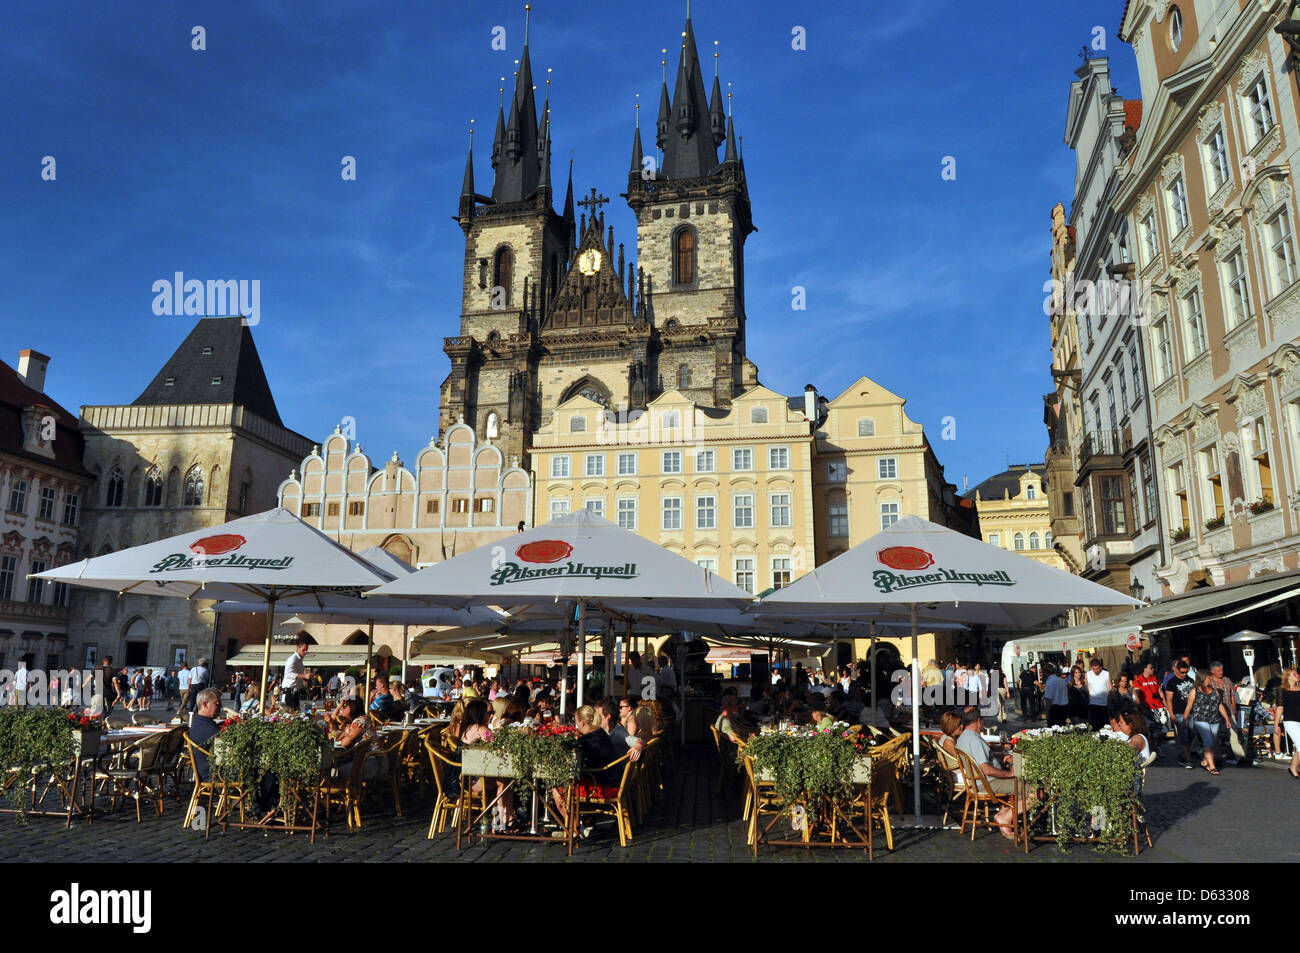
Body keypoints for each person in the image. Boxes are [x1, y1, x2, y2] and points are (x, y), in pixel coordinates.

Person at [954, 708, 1018, 838]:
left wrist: (999, 760)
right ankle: (1005, 817)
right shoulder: (975, 740)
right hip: (987, 783)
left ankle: (1005, 813)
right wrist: (1010, 774)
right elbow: (986, 769)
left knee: (1019, 783)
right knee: (1034, 790)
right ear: (979, 721)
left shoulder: (962, 738)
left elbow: (982, 762)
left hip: (976, 782)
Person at [1185, 671, 1231, 775]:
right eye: (1208, 678)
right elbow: (1189, 706)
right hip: (1201, 720)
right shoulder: (1194, 691)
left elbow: (1219, 705)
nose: (1210, 679)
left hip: (1215, 719)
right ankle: (1212, 766)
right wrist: (1184, 720)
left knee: (1213, 743)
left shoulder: (1214, 690)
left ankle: (1205, 761)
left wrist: (1227, 719)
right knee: (1208, 741)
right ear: (1203, 678)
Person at [1163, 659, 1197, 768]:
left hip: (1191, 712)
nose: (1184, 674)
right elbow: (1169, 700)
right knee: (1184, 736)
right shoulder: (1171, 682)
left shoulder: (1190, 680)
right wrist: (1171, 714)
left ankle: (1183, 755)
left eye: (1186, 672)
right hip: (1179, 713)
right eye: (1182, 672)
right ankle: (1188, 760)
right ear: (1177, 670)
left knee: (1192, 734)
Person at [187, 688, 225, 783]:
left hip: (212, 770)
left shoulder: (199, 721)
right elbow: (227, 744)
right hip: (215, 775)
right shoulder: (207, 728)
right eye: (217, 704)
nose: (220, 707)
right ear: (205, 704)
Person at [1271, 668, 1300, 780]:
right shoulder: (1281, 690)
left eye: (1297, 673)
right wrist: (1276, 725)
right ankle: (1293, 768)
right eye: (1294, 674)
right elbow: (1279, 709)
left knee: (1299, 747)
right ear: (1288, 676)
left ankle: (1293, 767)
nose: (1297, 675)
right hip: (1290, 721)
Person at [282, 635, 310, 709]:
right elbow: (288, 674)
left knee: (295, 713)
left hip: (294, 691)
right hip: (289, 691)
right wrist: (304, 676)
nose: (306, 652)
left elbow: (295, 674)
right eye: (304, 650)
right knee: (291, 714)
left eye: (307, 650)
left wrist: (304, 678)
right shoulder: (293, 659)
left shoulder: (299, 660)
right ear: (297, 648)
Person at [1084, 657, 1112, 729]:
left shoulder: (1106, 674)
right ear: (1091, 667)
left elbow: (1110, 688)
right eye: (1094, 669)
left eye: (1097, 669)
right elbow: (1087, 688)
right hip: (1093, 704)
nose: (1096, 671)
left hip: (1104, 704)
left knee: (1106, 726)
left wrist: (1110, 701)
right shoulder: (1088, 674)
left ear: (1100, 667)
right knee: (1095, 726)